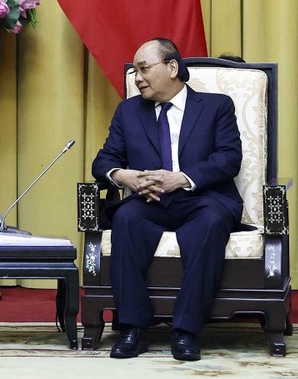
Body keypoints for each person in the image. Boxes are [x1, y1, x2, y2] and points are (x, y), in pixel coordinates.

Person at [92, 38, 243, 362]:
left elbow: (229, 158)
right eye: (135, 71)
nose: (137, 78)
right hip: (149, 201)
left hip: (202, 197)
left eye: (144, 69)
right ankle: (133, 328)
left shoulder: (216, 106)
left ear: (172, 67)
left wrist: (182, 178)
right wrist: (125, 176)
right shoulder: (128, 110)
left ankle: (186, 331)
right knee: (126, 218)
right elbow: (103, 161)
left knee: (210, 222)